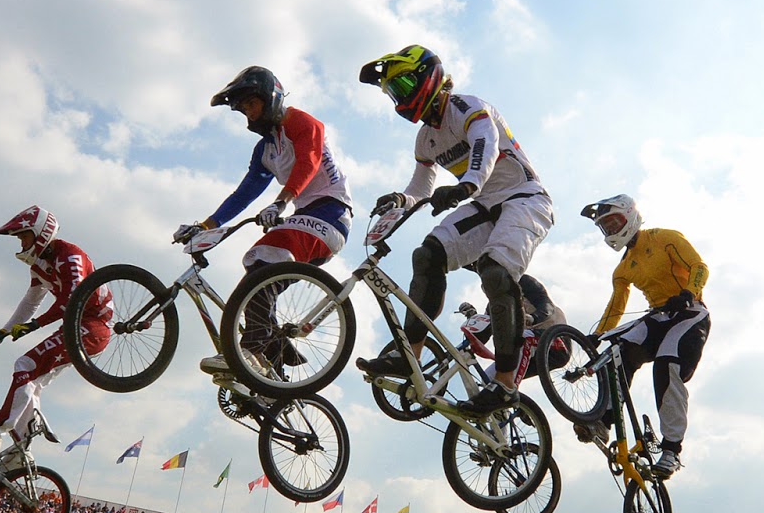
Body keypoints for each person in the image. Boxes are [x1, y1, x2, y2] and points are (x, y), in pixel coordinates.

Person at [356, 44, 554, 415]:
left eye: (403, 86)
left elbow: (486, 144)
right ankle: (409, 357)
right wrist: (399, 201)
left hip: (525, 197)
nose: (399, 97)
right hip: (483, 203)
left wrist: (467, 185)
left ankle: (506, 384)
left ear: (428, 77)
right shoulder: (425, 139)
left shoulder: (466, 106)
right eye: (393, 92)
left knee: (495, 273)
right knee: (427, 256)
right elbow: (421, 188)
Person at [175, 66, 353, 375]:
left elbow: (308, 163)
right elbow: (244, 194)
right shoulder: (266, 149)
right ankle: (273, 370)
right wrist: (205, 226)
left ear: (269, 97)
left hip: (331, 213)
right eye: (243, 109)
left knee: (263, 258)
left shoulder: (301, 122)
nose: (248, 114)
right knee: (257, 272)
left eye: (251, 105)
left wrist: (282, 201)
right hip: (306, 218)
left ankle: (251, 350)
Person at [0, 206, 105, 457]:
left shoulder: (70, 257)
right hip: (77, 327)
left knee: (25, 364)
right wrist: (2, 333)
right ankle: (22, 450)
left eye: (24, 236)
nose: (21, 242)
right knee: (31, 381)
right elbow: (31, 302)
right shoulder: (40, 265)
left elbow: (72, 300)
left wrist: (36, 324)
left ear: (40, 233)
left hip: (92, 325)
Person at [577, 195, 709, 478]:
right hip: (657, 316)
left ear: (631, 215)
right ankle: (606, 419)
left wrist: (688, 294)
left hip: (689, 312)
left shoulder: (665, 237)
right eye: (606, 226)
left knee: (667, 362)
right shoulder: (623, 269)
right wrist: (598, 335)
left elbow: (700, 267)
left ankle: (671, 449)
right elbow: (617, 306)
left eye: (615, 222)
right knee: (617, 351)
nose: (611, 229)